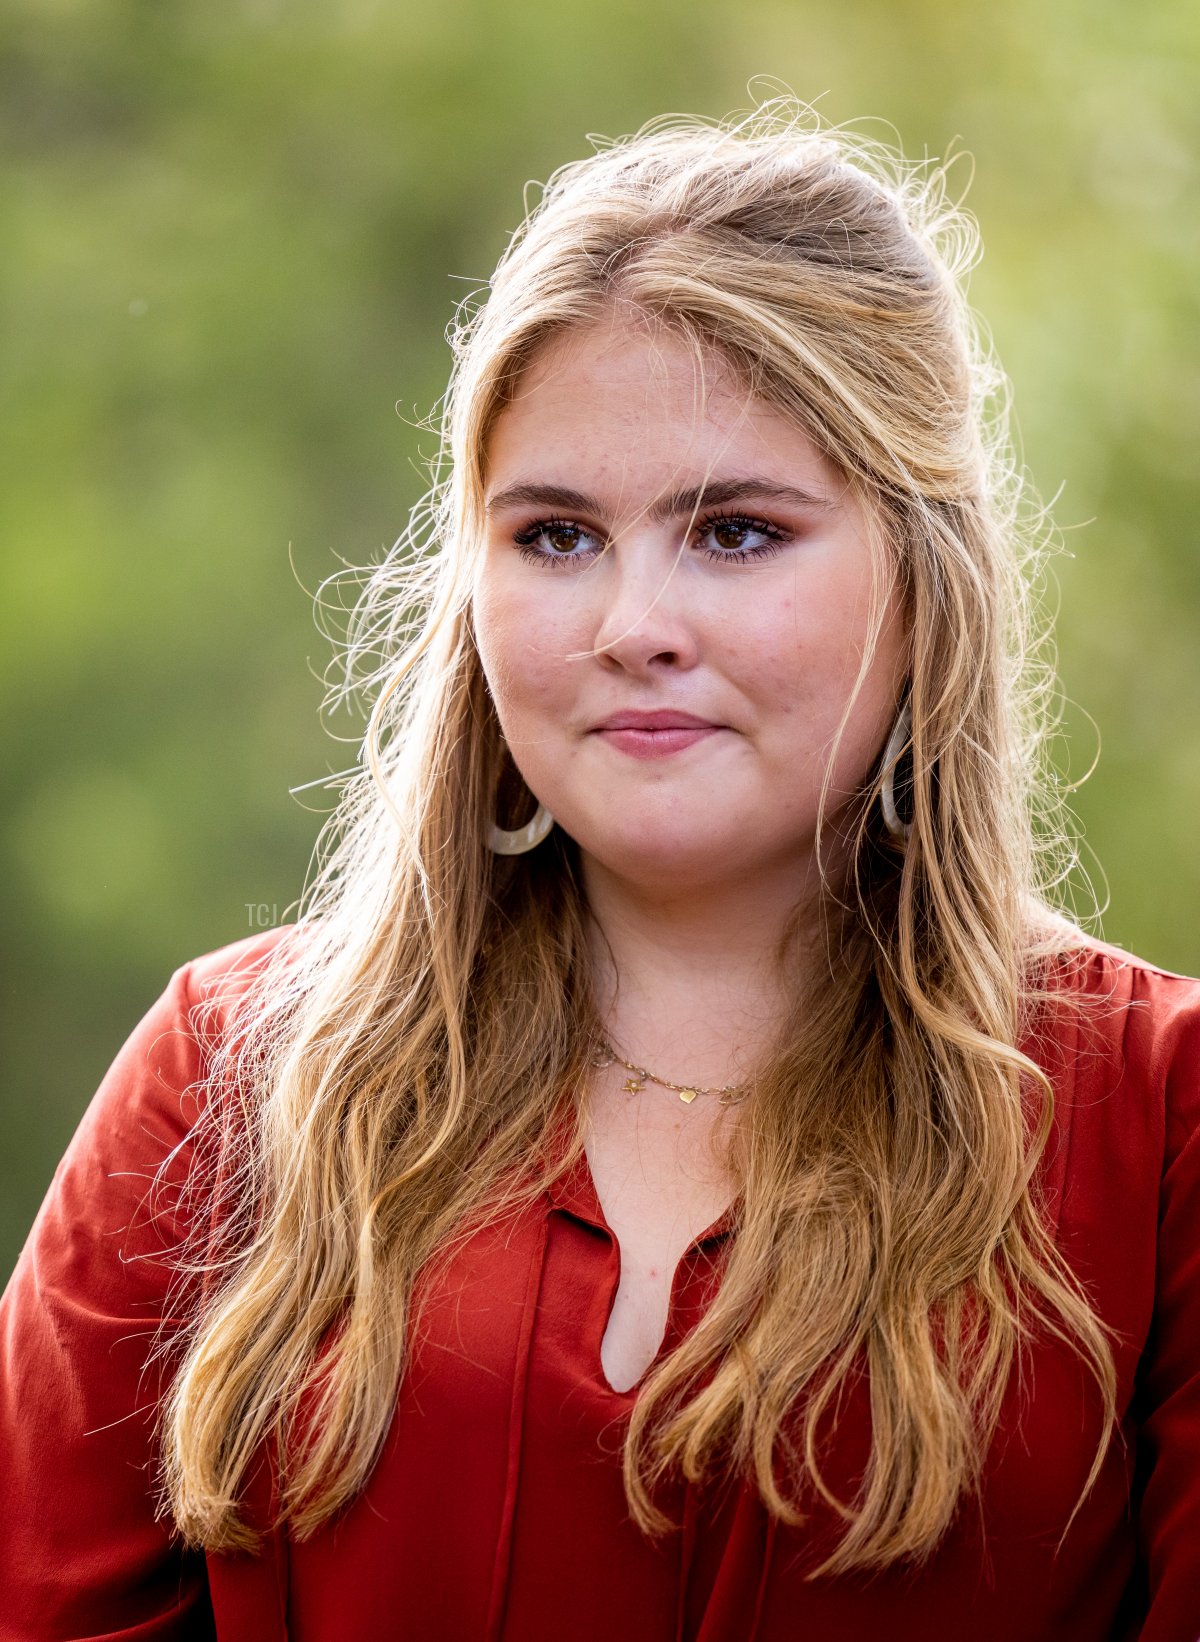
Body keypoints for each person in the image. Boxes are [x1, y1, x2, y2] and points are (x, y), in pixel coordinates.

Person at [2, 99, 1198, 1642]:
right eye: (557, 536)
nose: (635, 619)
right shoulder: (228, 1088)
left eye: (738, 532)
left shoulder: (1158, 1128)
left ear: (927, 574)